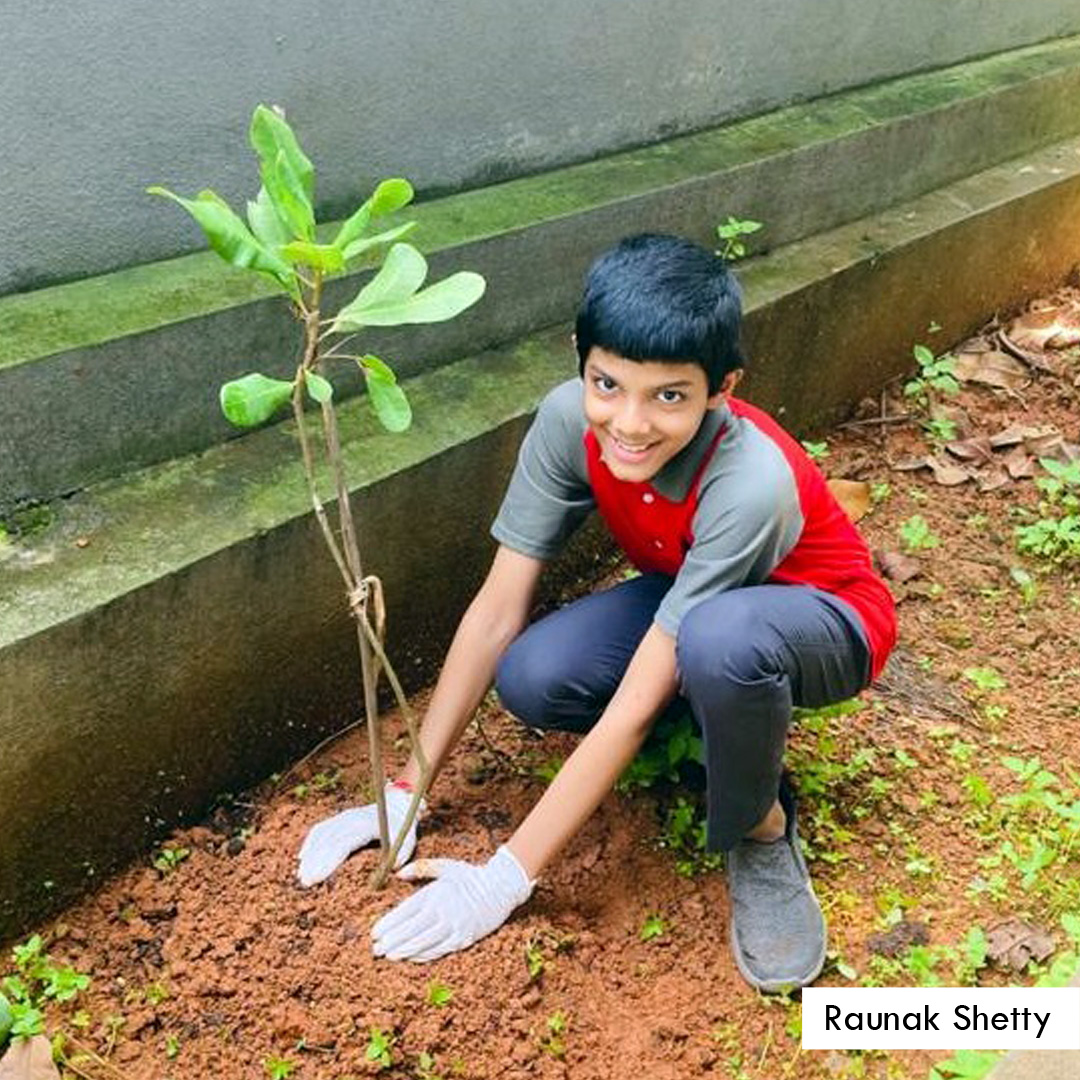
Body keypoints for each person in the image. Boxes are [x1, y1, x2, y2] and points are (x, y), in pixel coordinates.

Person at [296, 233, 897, 992]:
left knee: (721, 642)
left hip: (819, 618)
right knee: (535, 674)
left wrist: (505, 877)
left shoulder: (750, 485)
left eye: (669, 396)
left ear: (722, 388)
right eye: (607, 384)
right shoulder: (563, 425)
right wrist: (405, 793)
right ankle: (723, 717)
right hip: (696, 591)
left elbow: (636, 702)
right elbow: (495, 609)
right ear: (580, 360)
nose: (631, 423)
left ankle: (760, 825)